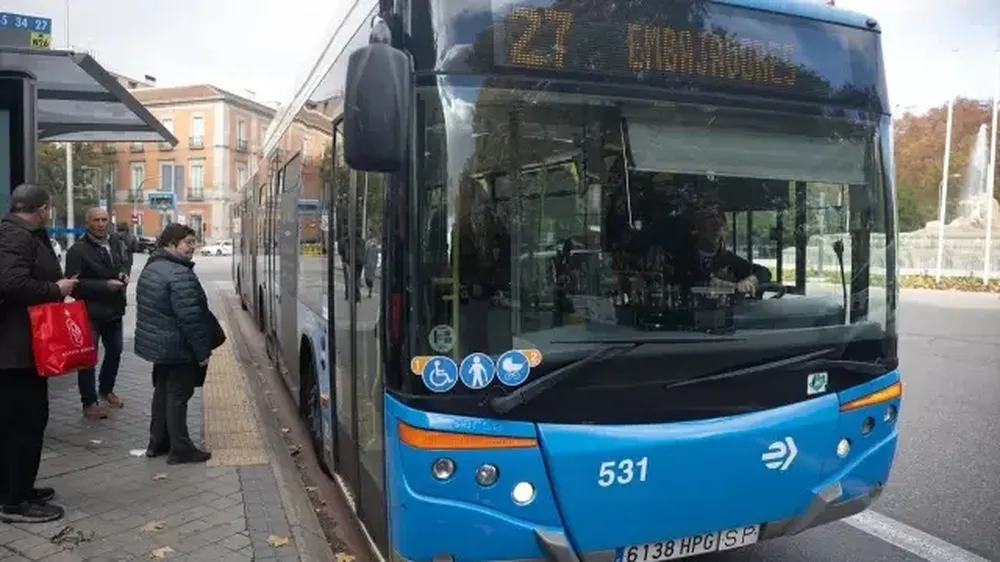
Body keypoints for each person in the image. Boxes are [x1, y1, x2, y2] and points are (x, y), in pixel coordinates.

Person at [0, 183, 78, 523]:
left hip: (22, 348)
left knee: (26, 421)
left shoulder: (23, 233)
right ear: (43, 209)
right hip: (14, 352)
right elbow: (12, 283)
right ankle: (14, 501)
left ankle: (18, 488)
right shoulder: (15, 236)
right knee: (23, 423)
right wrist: (55, 289)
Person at [134, 223, 222, 465]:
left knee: (162, 393)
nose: (193, 247)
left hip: (159, 345)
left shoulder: (153, 266)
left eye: (194, 242)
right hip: (177, 346)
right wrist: (202, 352)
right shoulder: (178, 273)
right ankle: (181, 449)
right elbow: (191, 318)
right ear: (172, 244)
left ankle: (158, 442)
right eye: (188, 243)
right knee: (178, 397)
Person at [65, 208, 128, 419]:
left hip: (114, 310)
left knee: (115, 351)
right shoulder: (77, 250)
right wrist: (105, 286)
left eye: (104, 220)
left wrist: (123, 275)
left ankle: (106, 389)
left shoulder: (115, 242)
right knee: (87, 358)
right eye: (96, 220)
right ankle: (89, 401)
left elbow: (122, 263)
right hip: (89, 313)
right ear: (87, 223)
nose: (101, 224)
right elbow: (73, 285)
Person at [678, 204, 771, 295]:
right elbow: (687, 279)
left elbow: (763, 272)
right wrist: (727, 285)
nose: (717, 223)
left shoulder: (727, 258)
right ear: (697, 227)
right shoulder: (680, 257)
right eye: (710, 217)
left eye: (720, 218)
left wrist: (750, 281)